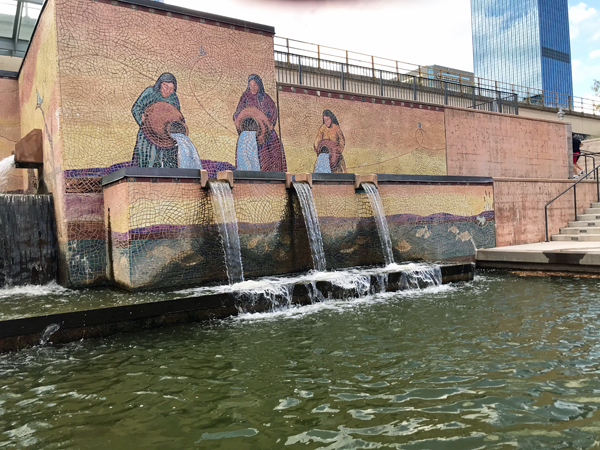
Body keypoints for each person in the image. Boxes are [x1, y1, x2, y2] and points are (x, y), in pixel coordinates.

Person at [233, 74, 287, 172]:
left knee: (269, 153)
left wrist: (267, 124)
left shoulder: (265, 98)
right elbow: (238, 111)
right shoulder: (246, 96)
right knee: (244, 147)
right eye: (251, 85)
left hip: (264, 132)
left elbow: (273, 114)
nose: (253, 88)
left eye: (255, 86)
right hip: (248, 130)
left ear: (259, 86)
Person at [132, 73, 182, 168]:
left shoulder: (173, 97)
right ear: (160, 84)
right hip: (149, 133)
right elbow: (136, 108)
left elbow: (177, 115)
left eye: (171, 89)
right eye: (165, 86)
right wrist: (141, 117)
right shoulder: (150, 92)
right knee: (148, 159)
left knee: (169, 159)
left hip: (166, 135)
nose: (168, 90)